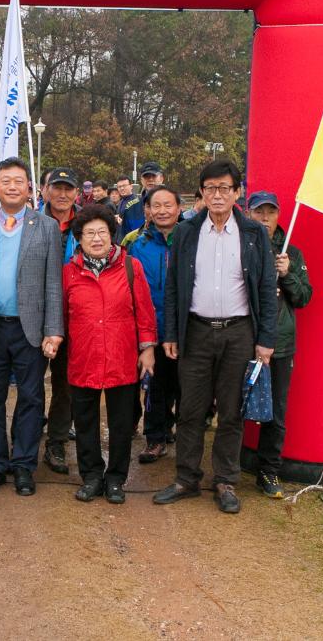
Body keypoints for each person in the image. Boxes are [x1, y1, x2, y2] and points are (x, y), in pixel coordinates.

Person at [153, 159, 277, 514]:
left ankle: (225, 480)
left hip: (239, 333)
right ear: (201, 194)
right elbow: (175, 287)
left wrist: (265, 339)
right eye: (210, 188)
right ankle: (186, 478)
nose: (217, 195)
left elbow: (267, 290)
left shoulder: (253, 234)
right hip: (195, 331)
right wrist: (171, 334)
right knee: (190, 409)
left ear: (237, 193)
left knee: (231, 411)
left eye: (225, 188)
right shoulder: (187, 232)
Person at [0, 157, 64, 497]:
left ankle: (23, 466)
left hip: (31, 331)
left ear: (30, 188)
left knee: (31, 398)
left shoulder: (46, 227)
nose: (12, 186)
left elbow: (53, 282)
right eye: (5, 180)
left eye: (18, 180)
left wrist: (54, 330)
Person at [62, 207, 158, 504]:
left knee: (120, 423)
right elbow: (63, 315)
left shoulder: (131, 267)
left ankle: (116, 479)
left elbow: (144, 312)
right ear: (79, 238)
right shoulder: (69, 272)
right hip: (84, 356)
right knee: (86, 421)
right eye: (89, 233)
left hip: (121, 356)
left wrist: (148, 349)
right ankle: (91, 476)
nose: (96, 238)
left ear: (111, 234)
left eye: (102, 231)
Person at [246, 190, 312, 499]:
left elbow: (303, 297)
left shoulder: (291, 254)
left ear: (278, 216)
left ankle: (268, 470)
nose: (264, 217)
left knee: (276, 411)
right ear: (249, 213)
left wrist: (286, 275)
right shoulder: (239, 245)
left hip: (281, 343)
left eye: (270, 212)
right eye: (259, 211)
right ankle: (228, 469)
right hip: (242, 337)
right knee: (233, 404)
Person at [127, 186, 182, 464]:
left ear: (178, 208)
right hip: (152, 328)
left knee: (185, 387)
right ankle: (155, 439)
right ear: (147, 210)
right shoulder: (139, 244)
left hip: (185, 329)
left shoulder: (190, 239)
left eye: (167, 205)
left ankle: (182, 436)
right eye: (155, 206)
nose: (161, 211)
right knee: (155, 386)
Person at [40, 167, 81, 475]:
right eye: (57, 188)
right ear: (45, 191)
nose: (62, 194)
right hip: (36, 314)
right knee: (30, 384)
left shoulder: (87, 224)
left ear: (76, 194)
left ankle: (55, 441)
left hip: (73, 315)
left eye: (68, 189)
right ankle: (26, 436)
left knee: (65, 385)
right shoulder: (31, 221)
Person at [117, 162, 166, 241]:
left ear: (161, 178)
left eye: (153, 176)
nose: (150, 179)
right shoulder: (131, 208)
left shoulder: (173, 205)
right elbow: (124, 239)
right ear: (142, 180)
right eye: (146, 176)